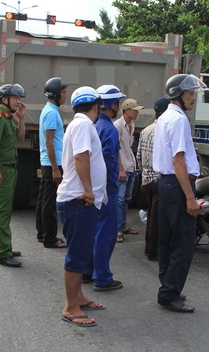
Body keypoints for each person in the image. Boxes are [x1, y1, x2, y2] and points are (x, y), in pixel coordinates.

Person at [153, 74, 207, 313]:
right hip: (177, 185)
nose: (193, 97)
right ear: (177, 93)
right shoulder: (179, 120)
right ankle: (169, 293)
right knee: (183, 243)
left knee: (167, 240)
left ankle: (168, 285)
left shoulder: (165, 117)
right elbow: (178, 160)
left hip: (166, 184)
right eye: (190, 93)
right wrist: (190, 197)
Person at [56, 86, 107, 327]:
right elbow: (80, 157)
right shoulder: (85, 125)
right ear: (96, 106)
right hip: (78, 200)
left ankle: (77, 297)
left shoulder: (77, 124)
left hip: (78, 200)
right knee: (77, 254)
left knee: (81, 251)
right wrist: (88, 189)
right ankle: (70, 306)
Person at [83, 85, 125, 292]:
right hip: (107, 186)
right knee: (106, 233)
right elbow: (108, 161)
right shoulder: (110, 129)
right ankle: (102, 277)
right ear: (113, 104)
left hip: (95, 185)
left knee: (93, 230)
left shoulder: (95, 125)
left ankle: (87, 270)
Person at [0, 83, 26, 267]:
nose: (18, 101)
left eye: (19, 98)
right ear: (4, 99)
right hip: (1, 169)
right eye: (16, 98)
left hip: (10, 169)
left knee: (5, 211)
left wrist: (22, 119)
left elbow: (20, 138)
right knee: (2, 212)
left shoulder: (9, 118)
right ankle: (3, 253)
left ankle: (0, 246)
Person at [137, 97, 171, 261]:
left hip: (146, 180)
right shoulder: (165, 130)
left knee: (152, 215)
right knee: (157, 218)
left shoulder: (146, 130)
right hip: (159, 180)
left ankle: (150, 247)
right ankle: (152, 250)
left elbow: (139, 157)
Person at [35, 77, 67, 249]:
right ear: (55, 93)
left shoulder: (49, 110)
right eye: (63, 93)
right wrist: (55, 168)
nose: (65, 96)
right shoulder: (52, 113)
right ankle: (50, 238)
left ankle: (42, 233)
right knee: (50, 202)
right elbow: (49, 142)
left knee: (43, 198)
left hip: (49, 161)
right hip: (52, 162)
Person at [114, 98, 144, 241]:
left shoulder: (131, 125)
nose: (137, 112)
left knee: (126, 199)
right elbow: (116, 150)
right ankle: (117, 229)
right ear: (126, 110)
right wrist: (120, 169)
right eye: (134, 109)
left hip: (130, 166)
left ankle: (122, 225)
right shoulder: (117, 126)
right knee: (119, 199)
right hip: (123, 167)